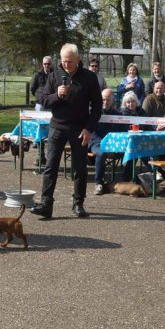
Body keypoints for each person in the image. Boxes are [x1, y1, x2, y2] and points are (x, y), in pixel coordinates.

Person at [29, 43, 102, 219]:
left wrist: (88, 129)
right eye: (63, 61)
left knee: (79, 168)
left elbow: (98, 106)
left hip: (79, 129)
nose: (66, 65)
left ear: (78, 59)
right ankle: (46, 204)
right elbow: (43, 99)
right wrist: (57, 95)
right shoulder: (54, 76)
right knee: (50, 167)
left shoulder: (89, 77)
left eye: (70, 61)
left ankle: (78, 203)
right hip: (57, 127)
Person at [89, 88, 122, 195]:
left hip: (113, 144)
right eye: (103, 99)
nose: (105, 102)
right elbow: (91, 132)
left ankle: (126, 179)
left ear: (113, 100)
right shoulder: (92, 112)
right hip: (96, 142)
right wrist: (104, 143)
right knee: (101, 153)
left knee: (132, 149)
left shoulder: (118, 114)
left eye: (108, 100)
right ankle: (98, 183)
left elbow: (121, 131)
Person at [120, 91, 148, 182]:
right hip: (126, 141)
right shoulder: (123, 113)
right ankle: (158, 172)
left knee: (143, 150)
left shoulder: (141, 111)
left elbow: (148, 124)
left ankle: (127, 176)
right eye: (128, 102)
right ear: (125, 104)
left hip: (142, 139)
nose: (130, 104)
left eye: (132, 101)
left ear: (136, 102)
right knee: (137, 150)